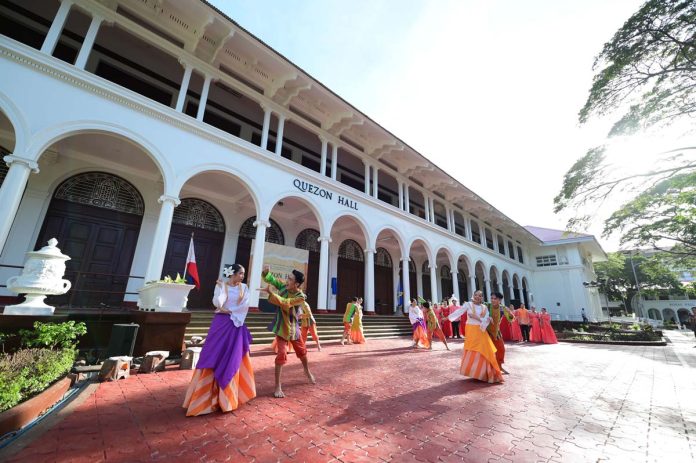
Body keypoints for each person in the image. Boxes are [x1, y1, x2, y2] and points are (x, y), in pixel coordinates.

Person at [183, 264, 256, 416]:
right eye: (240, 273)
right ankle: (205, 399)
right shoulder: (222, 286)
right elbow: (218, 303)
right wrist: (222, 289)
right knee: (213, 354)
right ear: (232, 274)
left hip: (236, 325)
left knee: (232, 357)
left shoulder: (244, 288)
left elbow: (245, 305)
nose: (242, 276)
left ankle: (227, 399)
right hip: (221, 324)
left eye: (243, 274)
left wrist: (230, 311)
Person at [260, 265, 315, 398]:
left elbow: (286, 302)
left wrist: (271, 294)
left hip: (294, 328)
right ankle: (277, 386)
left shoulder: (301, 296)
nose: (287, 280)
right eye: (288, 278)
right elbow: (274, 281)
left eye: (290, 279)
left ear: (296, 284)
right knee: (281, 354)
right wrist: (267, 274)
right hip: (281, 327)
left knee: (302, 352)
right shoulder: (284, 287)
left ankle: (306, 371)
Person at [454, 290, 503, 383]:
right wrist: (448, 318)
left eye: (480, 296)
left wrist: (482, 318)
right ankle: (476, 373)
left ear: (482, 298)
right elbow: (458, 312)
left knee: (486, 349)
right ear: (473, 296)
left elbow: (485, 320)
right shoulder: (468, 305)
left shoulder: (484, 307)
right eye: (476, 295)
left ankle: (487, 373)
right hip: (471, 331)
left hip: (481, 331)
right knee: (473, 350)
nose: (477, 297)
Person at [487, 291, 509, 374]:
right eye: (492, 298)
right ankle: (487, 368)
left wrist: (509, 313)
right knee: (488, 350)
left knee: (501, 349)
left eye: (495, 299)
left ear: (499, 300)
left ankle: (499, 366)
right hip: (487, 332)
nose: (492, 300)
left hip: (497, 332)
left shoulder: (502, 308)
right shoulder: (487, 306)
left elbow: (511, 318)